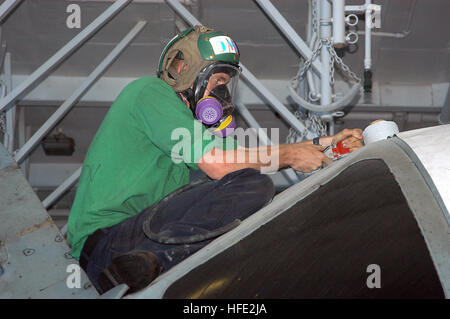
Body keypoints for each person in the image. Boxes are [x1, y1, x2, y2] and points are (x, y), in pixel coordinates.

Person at [66, 25, 364, 294]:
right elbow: (220, 164)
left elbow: (232, 165)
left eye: (227, 82)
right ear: (182, 68)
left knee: (244, 190)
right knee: (254, 184)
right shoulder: (150, 92)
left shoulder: (191, 135)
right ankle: (150, 261)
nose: (222, 92)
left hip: (143, 235)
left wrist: (323, 145)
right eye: (217, 80)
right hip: (106, 246)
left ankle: (160, 265)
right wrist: (289, 155)